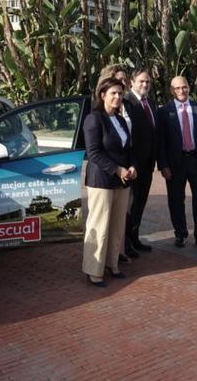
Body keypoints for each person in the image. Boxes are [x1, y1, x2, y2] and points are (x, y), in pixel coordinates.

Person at [82, 77, 137, 287]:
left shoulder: (121, 120)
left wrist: (132, 166)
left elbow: (128, 149)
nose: (117, 97)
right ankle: (93, 270)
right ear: (102, 95)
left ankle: (112, 265)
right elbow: (94, 152)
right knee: (99, 226)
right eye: (113, 93)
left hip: (122, 182)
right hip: (102, 180)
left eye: (120, 93)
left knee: (116, 226)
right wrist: (117, 169)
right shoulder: (94, 119)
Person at [157, 76, 197, 249]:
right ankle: (180, 234)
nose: (181, 91)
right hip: (175, 164)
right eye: (177, 88)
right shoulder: (164, 111)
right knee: (176, 200)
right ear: (171, 90)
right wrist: (163, 165)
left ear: (189, 88)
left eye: (184, 87)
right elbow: (160, 142)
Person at [122, 68, 157, 255]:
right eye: (141, 81)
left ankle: (135, 238)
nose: (145, 85)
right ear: (132, 82)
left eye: (148, 82)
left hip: (148, 165)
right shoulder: (126, 102)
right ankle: (126, 243)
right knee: (131, 205)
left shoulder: (150, 102)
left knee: (140, 203)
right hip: (133, 165)